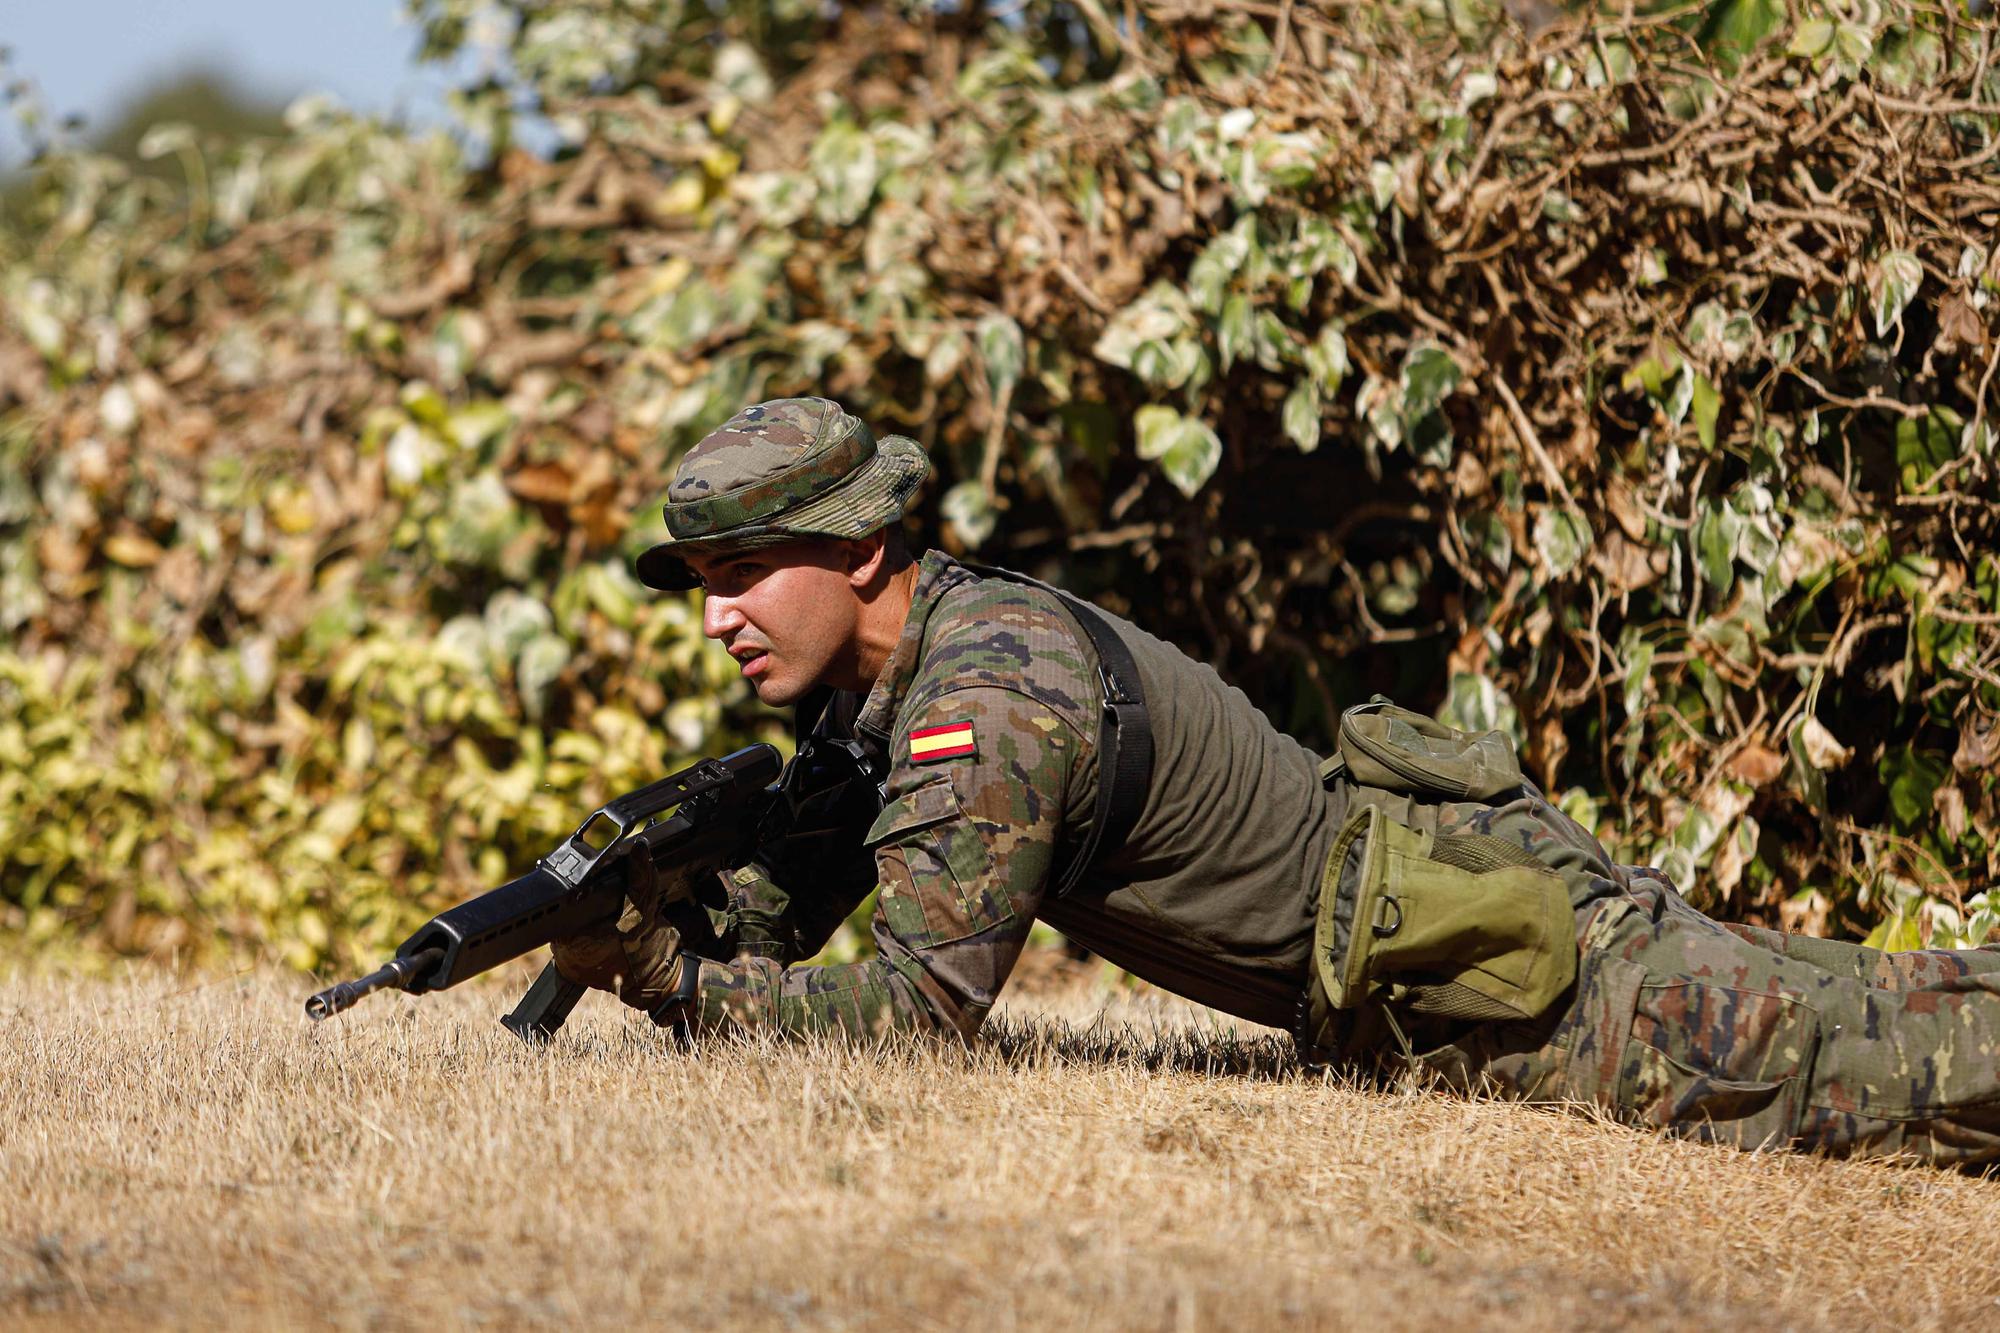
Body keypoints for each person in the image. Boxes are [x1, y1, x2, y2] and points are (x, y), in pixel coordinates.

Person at [551, 395, 2000, 1167]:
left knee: (1870, 1064)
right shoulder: (891, 682)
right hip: (1450, 918)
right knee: (1878, 1011)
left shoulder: (984, 700)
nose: (714, 614)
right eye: (697, 583)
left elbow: (915, 1016)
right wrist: (677, 895)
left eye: (741, 574)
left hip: (1506, 988)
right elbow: (789, 920)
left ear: (861, 551)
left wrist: (670, 978)